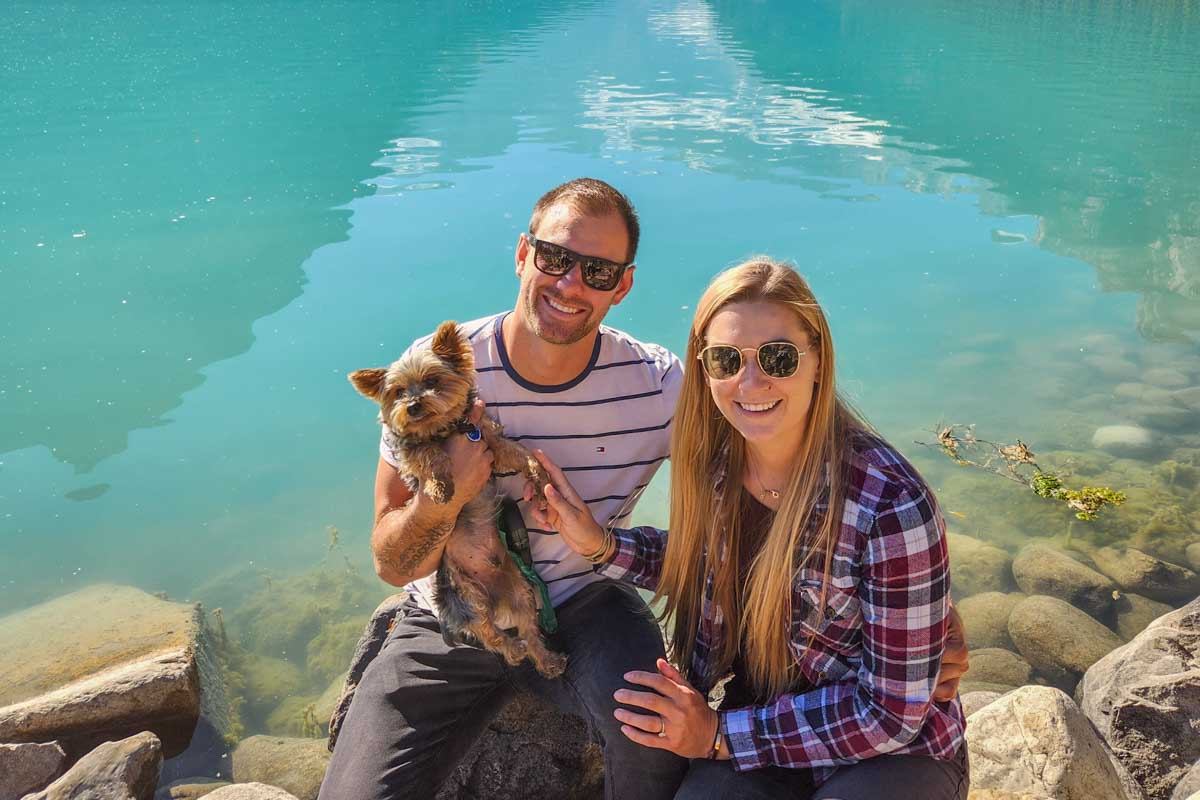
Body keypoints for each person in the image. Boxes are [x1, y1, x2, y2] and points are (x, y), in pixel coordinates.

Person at [319, 181, 968, 800]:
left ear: (622, 286)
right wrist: (451, 498)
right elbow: (389, 561)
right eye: (554, 257)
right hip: (447, 619)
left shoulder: (663, 386)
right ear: (524, 254)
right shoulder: (432, 372)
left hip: (587, 610)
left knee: (654, 743)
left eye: (598, 271)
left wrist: (930, 614)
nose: (571, 283)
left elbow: (832, 472)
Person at [535, 258, 970, 799]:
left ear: (817, 360)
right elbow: (707, 565)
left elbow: (890, 714)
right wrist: (600, 544)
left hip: (892, 757)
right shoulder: (717, 468)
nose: (750, 381)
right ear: (705, 368)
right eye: (725, 359)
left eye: (777, 357)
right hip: (763, 727)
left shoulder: (891, 505)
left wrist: (717, 735)